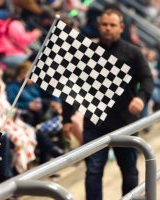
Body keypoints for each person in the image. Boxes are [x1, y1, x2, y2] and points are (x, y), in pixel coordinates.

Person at [62, 9, 154, 200]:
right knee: (93, 172)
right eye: (104, 25)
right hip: (95, 122)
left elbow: (147, 79)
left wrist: (141, 98)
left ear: (121, 28)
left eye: (112, 25)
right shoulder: (87, 53)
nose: (108, 29)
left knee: (129, 171)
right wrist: (66, 118)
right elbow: (69, 85)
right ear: (98, 25)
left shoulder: (132, 52)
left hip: (126, 123)